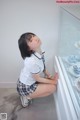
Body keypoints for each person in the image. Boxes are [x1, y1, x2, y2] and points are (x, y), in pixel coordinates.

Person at [17, 32, 58, 107]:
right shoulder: (31, 61)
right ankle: (26, 97)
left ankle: (30, 94)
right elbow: (38, 78)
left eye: (33, 36)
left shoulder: (39, 51)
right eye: (31, 40)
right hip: (25, 86)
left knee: (51, 83)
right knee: (52, 88)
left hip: (32, 81)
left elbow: (43, 65)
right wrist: (53, 81)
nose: (35, 38)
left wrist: (49, 75)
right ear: (28, 48)